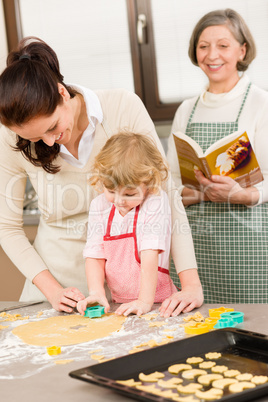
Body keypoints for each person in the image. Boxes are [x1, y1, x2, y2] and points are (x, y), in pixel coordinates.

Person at [0, 37, 203, 315]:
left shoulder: (122, 108)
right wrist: (53, 291)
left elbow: (166, 194)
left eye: (52, 127)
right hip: (54, 292)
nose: (48, 143)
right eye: (35, 138)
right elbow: (7, 227)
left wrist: (190, 283)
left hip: (130, 292)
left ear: (61, 93)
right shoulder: (13, 136)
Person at [167, 8, 268, 303]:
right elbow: (170, 183)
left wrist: (243, 195)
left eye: (223, 45)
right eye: (203, 46)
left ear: (242, 50)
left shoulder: (261, 104)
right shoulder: (186, 110)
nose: (213, 55)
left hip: (251, 249)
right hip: (195, 250)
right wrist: (201, 194)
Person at [77, 132, 178, 317]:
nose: (119, 200)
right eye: (111, 191)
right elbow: (94, 255)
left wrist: (144, 302)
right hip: (121, 305)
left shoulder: (155, 201)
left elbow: (149, 254)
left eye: (129, 194)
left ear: (149, 183)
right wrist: (97, 293)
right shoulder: (99, 205)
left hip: (159, 304)